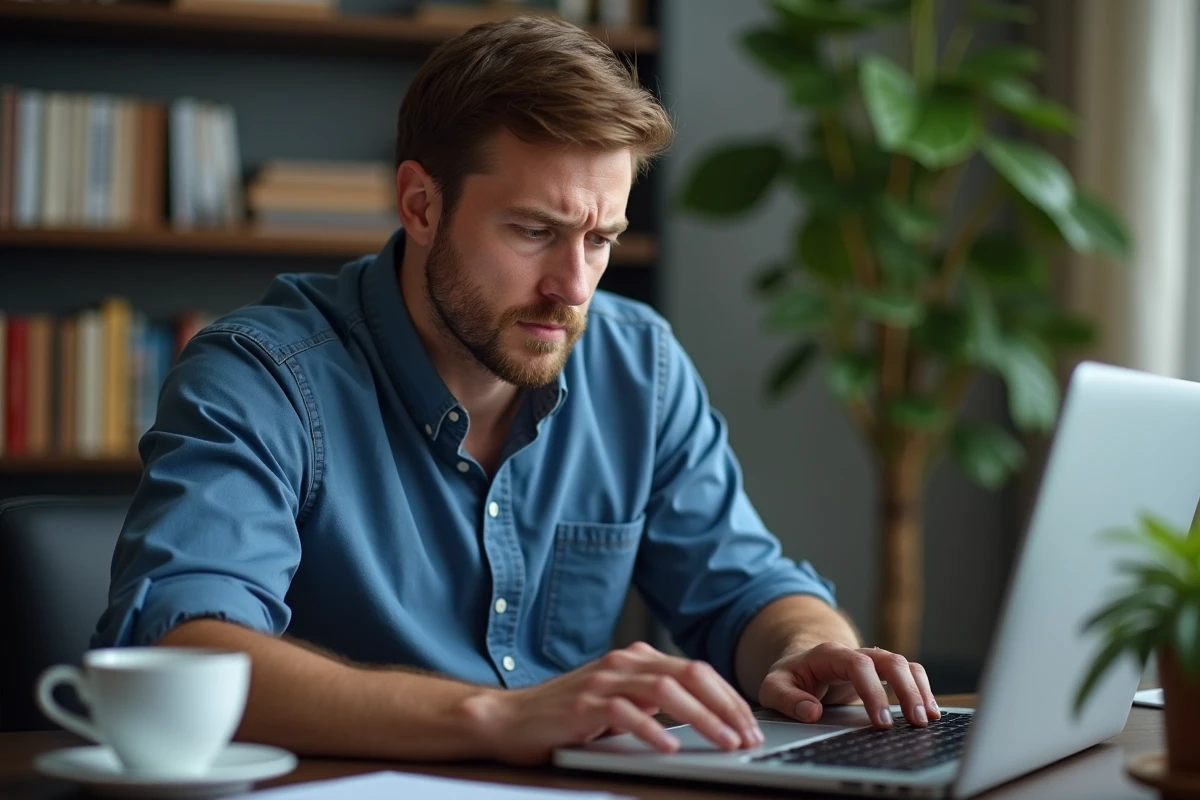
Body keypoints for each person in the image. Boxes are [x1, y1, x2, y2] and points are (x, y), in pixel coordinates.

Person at [94, 15, 939, 764]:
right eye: (535, 231)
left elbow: (745, 588)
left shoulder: (636, 364)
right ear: (421, 206)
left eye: (601, 239)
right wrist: (497, 718)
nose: (574, 287)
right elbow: (190, 648)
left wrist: (807, 648)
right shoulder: (260, 374)